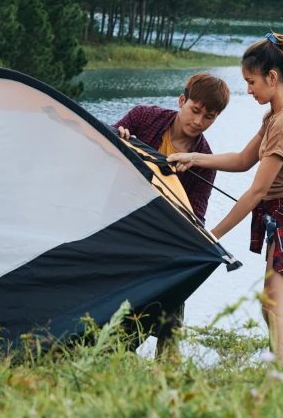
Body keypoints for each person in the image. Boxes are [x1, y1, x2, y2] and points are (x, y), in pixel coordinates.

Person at [169, 32, 283, 365]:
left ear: (272, 77)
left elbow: (256, 191)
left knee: (276, 306)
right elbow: (243, 160)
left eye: (251, 81)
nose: (248, 89)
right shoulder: (280, 115)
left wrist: (213, 235)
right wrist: (195, 158)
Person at [113, 72, 230, 361]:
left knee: (171, 321)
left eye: (209, 117)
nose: (198, 121)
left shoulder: (205, 161)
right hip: (119, 227)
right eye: (195, 110)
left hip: (163, 242)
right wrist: (119, 137)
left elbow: (195, 216)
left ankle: (168, 375)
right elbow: (103, 147)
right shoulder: (142, 118)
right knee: (115, 319)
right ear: (182, 100)